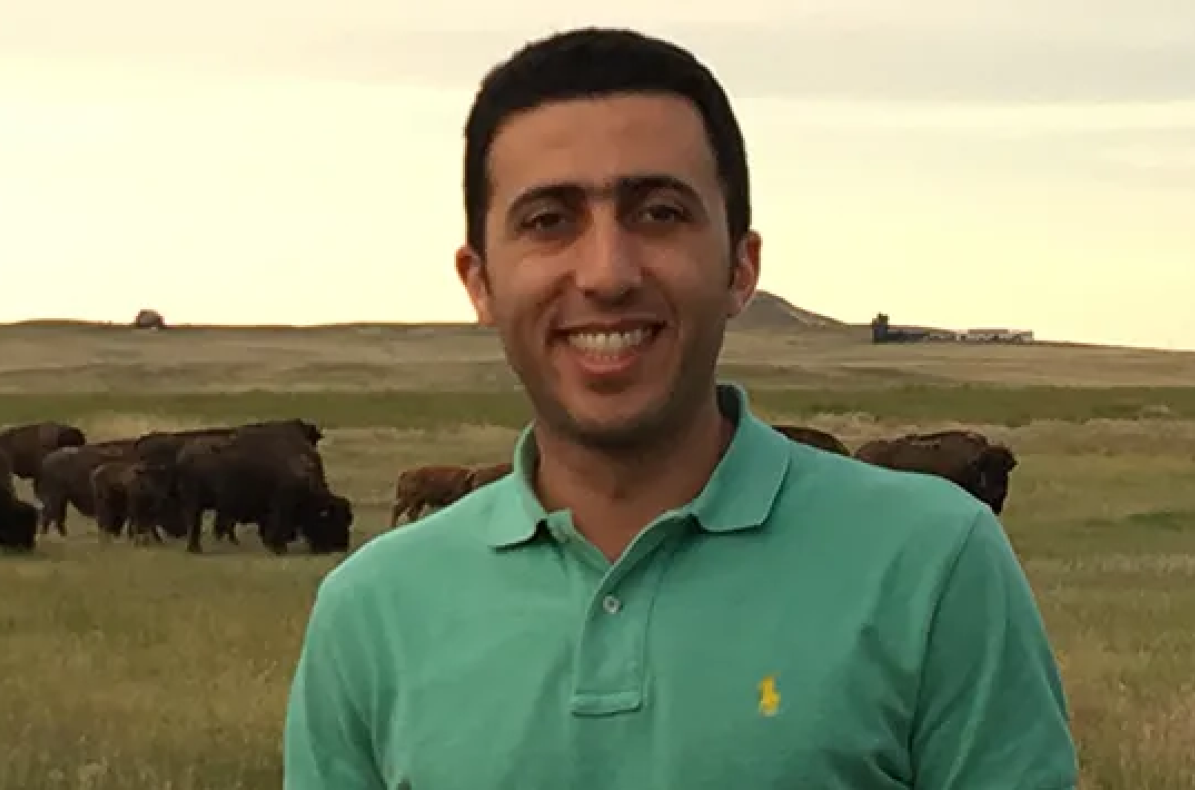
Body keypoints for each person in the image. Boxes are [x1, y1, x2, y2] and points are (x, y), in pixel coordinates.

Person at [282, 26, 1079, 790]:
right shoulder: (370, 611)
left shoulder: (934, 564)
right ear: (480, 281)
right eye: (548, 221)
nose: (606, 273)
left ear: (741, 265)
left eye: (659, 212)